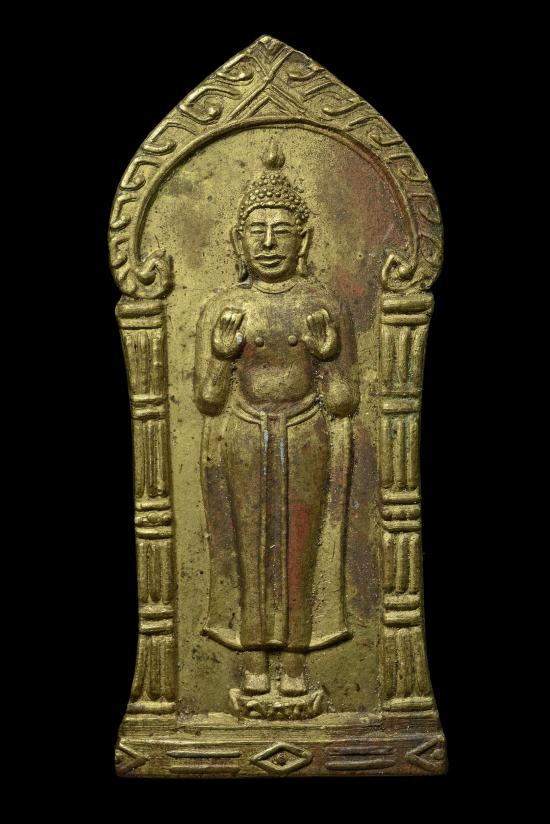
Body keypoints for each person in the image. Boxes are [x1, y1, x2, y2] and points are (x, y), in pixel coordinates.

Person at [194, 141, 359, 699]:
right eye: (257, 230)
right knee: (246, 547)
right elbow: (209, 400)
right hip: (243, 434)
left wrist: (328, 356)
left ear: (303, 240)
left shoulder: (324, 306)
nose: (268, 242)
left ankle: (293, 662)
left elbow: (343, 401)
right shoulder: (222, 307)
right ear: (237, 239)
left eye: (281, 231)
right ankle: (252, 662)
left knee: (299, 548)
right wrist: (222, 355)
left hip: (307, 431)